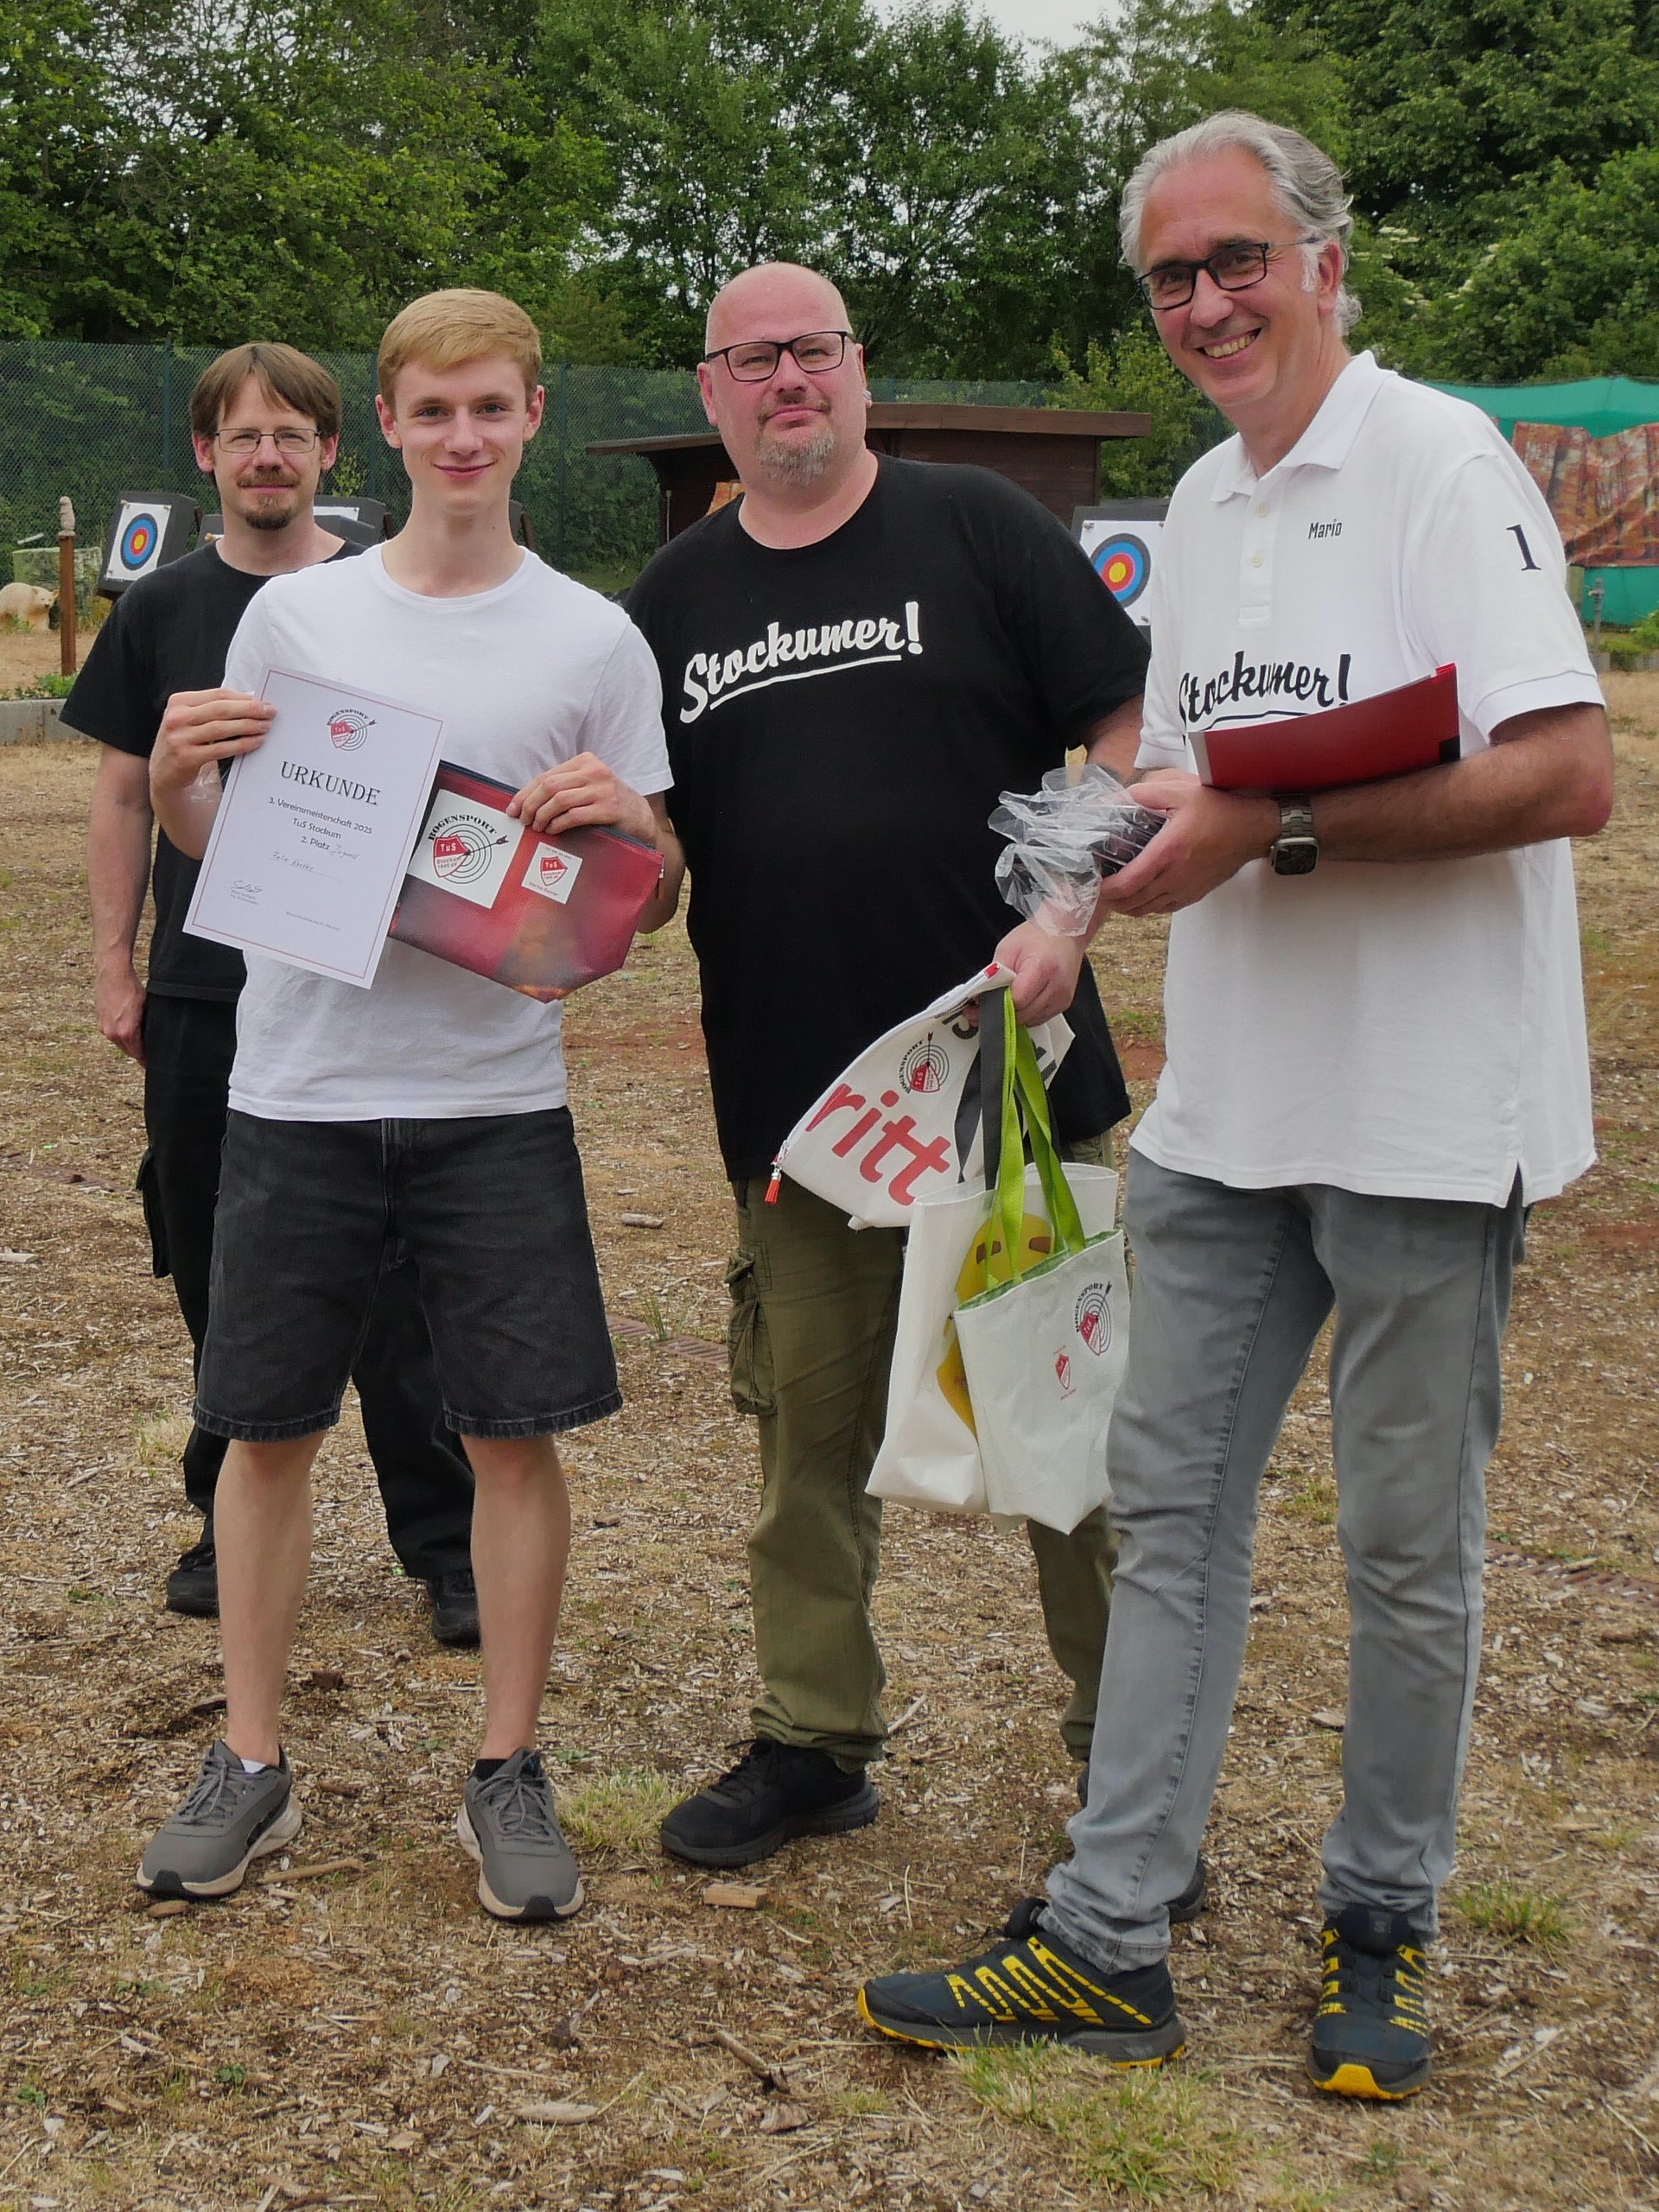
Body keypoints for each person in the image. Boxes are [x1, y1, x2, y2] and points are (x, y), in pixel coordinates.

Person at [858, 112, 1613, 2100]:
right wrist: (1071, 905)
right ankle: (1113, 1928)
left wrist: (1280, 828)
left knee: (1406, 1549)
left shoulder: (1442, 460)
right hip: (1229, 1109)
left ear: (1326, 263)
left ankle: (1382, 1915)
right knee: (1169, 1508)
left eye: (1238, 260)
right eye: (1172, 277)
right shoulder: (1199, 500)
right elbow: (1179, 777)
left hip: (1430, 1113)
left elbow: (1566, 773)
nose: (1205, 303)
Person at [135, 289, 678, 1919]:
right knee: (266, 1431)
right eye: (433, 410)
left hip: (491, 1098)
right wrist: (173, 781)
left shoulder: (593, 638)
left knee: (511, 1436)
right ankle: (249, 1757)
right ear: (387, 421)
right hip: (299, 1087)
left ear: (532, 416)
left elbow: (642, 903)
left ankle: (508, 1764)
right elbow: (232, 844)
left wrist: (632, 832)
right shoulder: (299, 622)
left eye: (491, 407)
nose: (462, 437)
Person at [626, 261, 1158, 1873]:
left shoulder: (976, 524)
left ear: (860, 370)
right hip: (802, 1105)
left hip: (1007, 1072)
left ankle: (1129, 1767)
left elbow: (1127, 727)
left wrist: (1067, 905)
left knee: (1065, 1434)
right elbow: (660, 855)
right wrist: (601, 861)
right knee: (807, 1441)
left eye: (814, 350)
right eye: (753, 359)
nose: (787, 379)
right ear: (711, 393)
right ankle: (812, 1739)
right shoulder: (671, 600)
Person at [71, 342, 481, 1649]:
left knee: (401, 1284)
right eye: (243, 437)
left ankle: (448, 1544)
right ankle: (226, 1517)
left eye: (290, 436)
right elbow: (124, 797)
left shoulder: (382, 597)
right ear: (206, 455)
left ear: (330, 452)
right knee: (217, 1263)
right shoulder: (159, 608)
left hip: (366, 993)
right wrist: (117, 963)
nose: (266, 458)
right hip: (208, 992)